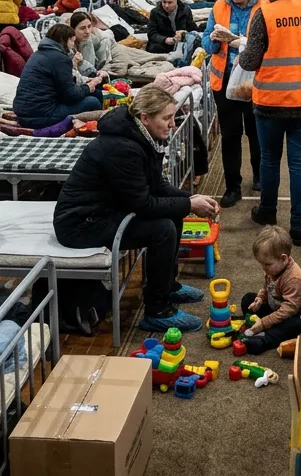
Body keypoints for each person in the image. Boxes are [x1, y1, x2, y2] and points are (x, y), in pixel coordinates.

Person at [52, 86, 220, 332]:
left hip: (101, 212)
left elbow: (156, 185)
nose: (172, 124)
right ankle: (158, 309)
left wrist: (190, 198)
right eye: (166, 118)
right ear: (145, 118)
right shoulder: (124, 147)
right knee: (162, 228)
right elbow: (143, 203)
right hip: (80, 224)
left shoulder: (139, 136)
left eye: (173, 117)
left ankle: (167, 286)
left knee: (173, 214)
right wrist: (189, 204)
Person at [241, 0, 301, 248]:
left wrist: (241, 54)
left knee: (270, 158)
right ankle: (299, 227)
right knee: (300, 162)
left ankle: (267, 211)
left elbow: (251, 60)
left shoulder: (264, 13)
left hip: (271, 102)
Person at [202, 0, 262, 207]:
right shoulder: (218, 7)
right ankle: (232, 186)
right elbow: (206, 40)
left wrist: (245, 45)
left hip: (255, 81)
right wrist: (214, 41)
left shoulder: (264, 8)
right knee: (230, 135)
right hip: (224, 82)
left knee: (257, 133)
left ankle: (259, 176)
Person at [239, 225, 301, 355]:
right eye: (261, 264)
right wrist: (260, 298)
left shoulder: (295, 278)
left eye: (267, 264)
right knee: (248, 299)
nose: (264, 268)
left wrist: (264, 323)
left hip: (296, 314)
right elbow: (267, 287)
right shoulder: (273, 269)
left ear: (284, 259)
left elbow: (289, 309)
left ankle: (264, 339)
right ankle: (265, 326)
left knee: (297, 326)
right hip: (278, 306)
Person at [13, 24, 102, 129]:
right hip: (39, 116)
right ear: (63, 40)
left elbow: (60, 86)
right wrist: (89, 86)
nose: (73, 46)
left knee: (94, 93)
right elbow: (70, 95)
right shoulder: (60, 58)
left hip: (24, 113)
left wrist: (84, 86)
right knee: (93, 101)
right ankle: (96, 127)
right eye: (72, 41)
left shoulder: (38, 54)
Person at [147, 0, 199, 64]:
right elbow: (151, 33)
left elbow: (192, 28)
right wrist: (165, 39)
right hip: (164, 43)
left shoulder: (185, 10)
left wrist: (184, 33)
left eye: (170, 2)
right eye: (164, 2)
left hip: (181, 42)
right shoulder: (155, 12)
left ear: (176, 1)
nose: (166, 5)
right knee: (154, 48)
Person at [70, 10, 112, 81]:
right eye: (82, 28)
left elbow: (105, 62)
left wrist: (103, 72)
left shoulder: (96, 39)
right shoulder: (67, 45)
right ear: (73, 29)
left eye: (89, 27)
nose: (87, 31)